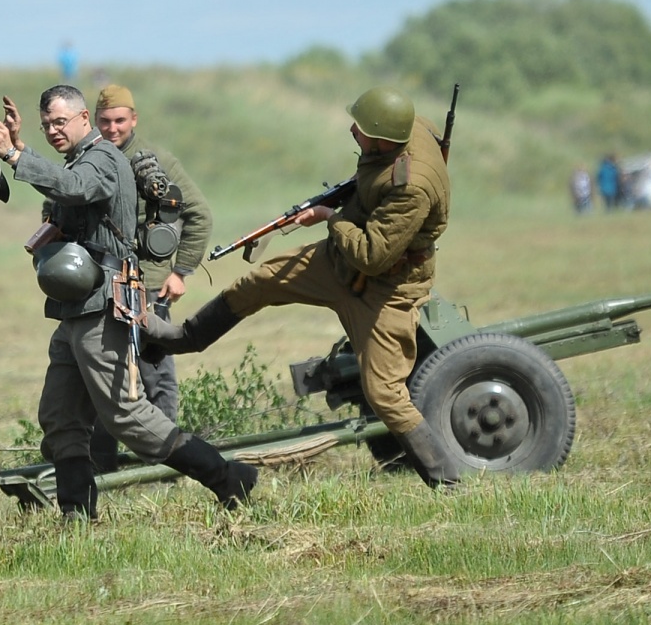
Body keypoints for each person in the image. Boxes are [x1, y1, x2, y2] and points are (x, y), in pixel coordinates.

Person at [145, 86, 460, 489]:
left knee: (384, 394)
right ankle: (181, 339)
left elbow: (373, 255)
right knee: (260, 281)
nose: (352, 130)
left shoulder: (412, 185)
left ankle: (446, 481)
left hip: (388, 285)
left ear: (384, 138)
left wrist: (330, 216)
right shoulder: (405, 126)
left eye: (360, 129)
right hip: (341, 259)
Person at [0, 85, 256, 520]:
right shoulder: (79, 159)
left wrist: (17, 158)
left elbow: (75, 186)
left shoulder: (104, 158)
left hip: (103, 306)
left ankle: (227, 477)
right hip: (75, 308)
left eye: (60, 122)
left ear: (83, 118)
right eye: (46, 125)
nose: (53, 130)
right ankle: (77, 516)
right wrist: (21, 149)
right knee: (60, 417)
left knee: (128, 417)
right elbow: (67, 184)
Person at [84, 84, 213, 473]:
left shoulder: (158, 161)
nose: (112, 128)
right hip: (97, 286)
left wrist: (181, 270)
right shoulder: (86, 160)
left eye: (120, 120)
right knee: (103, 377)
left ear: (134, 119)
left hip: (147, 285)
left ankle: (169, 464)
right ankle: (102, 467)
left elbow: (200, 214)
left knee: (156, 373)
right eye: (104, 121)